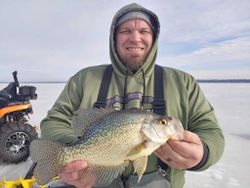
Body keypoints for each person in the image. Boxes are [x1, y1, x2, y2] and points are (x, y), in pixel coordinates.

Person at [40, 3, 225, 188]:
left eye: (144, 31)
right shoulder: (84, 79)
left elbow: (211, 131)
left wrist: (203, 154)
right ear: (114, 38)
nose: (135, 38)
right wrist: (73, 159)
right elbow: (54, 120)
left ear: (153, 39)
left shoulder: (183, 82)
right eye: (125, 30)